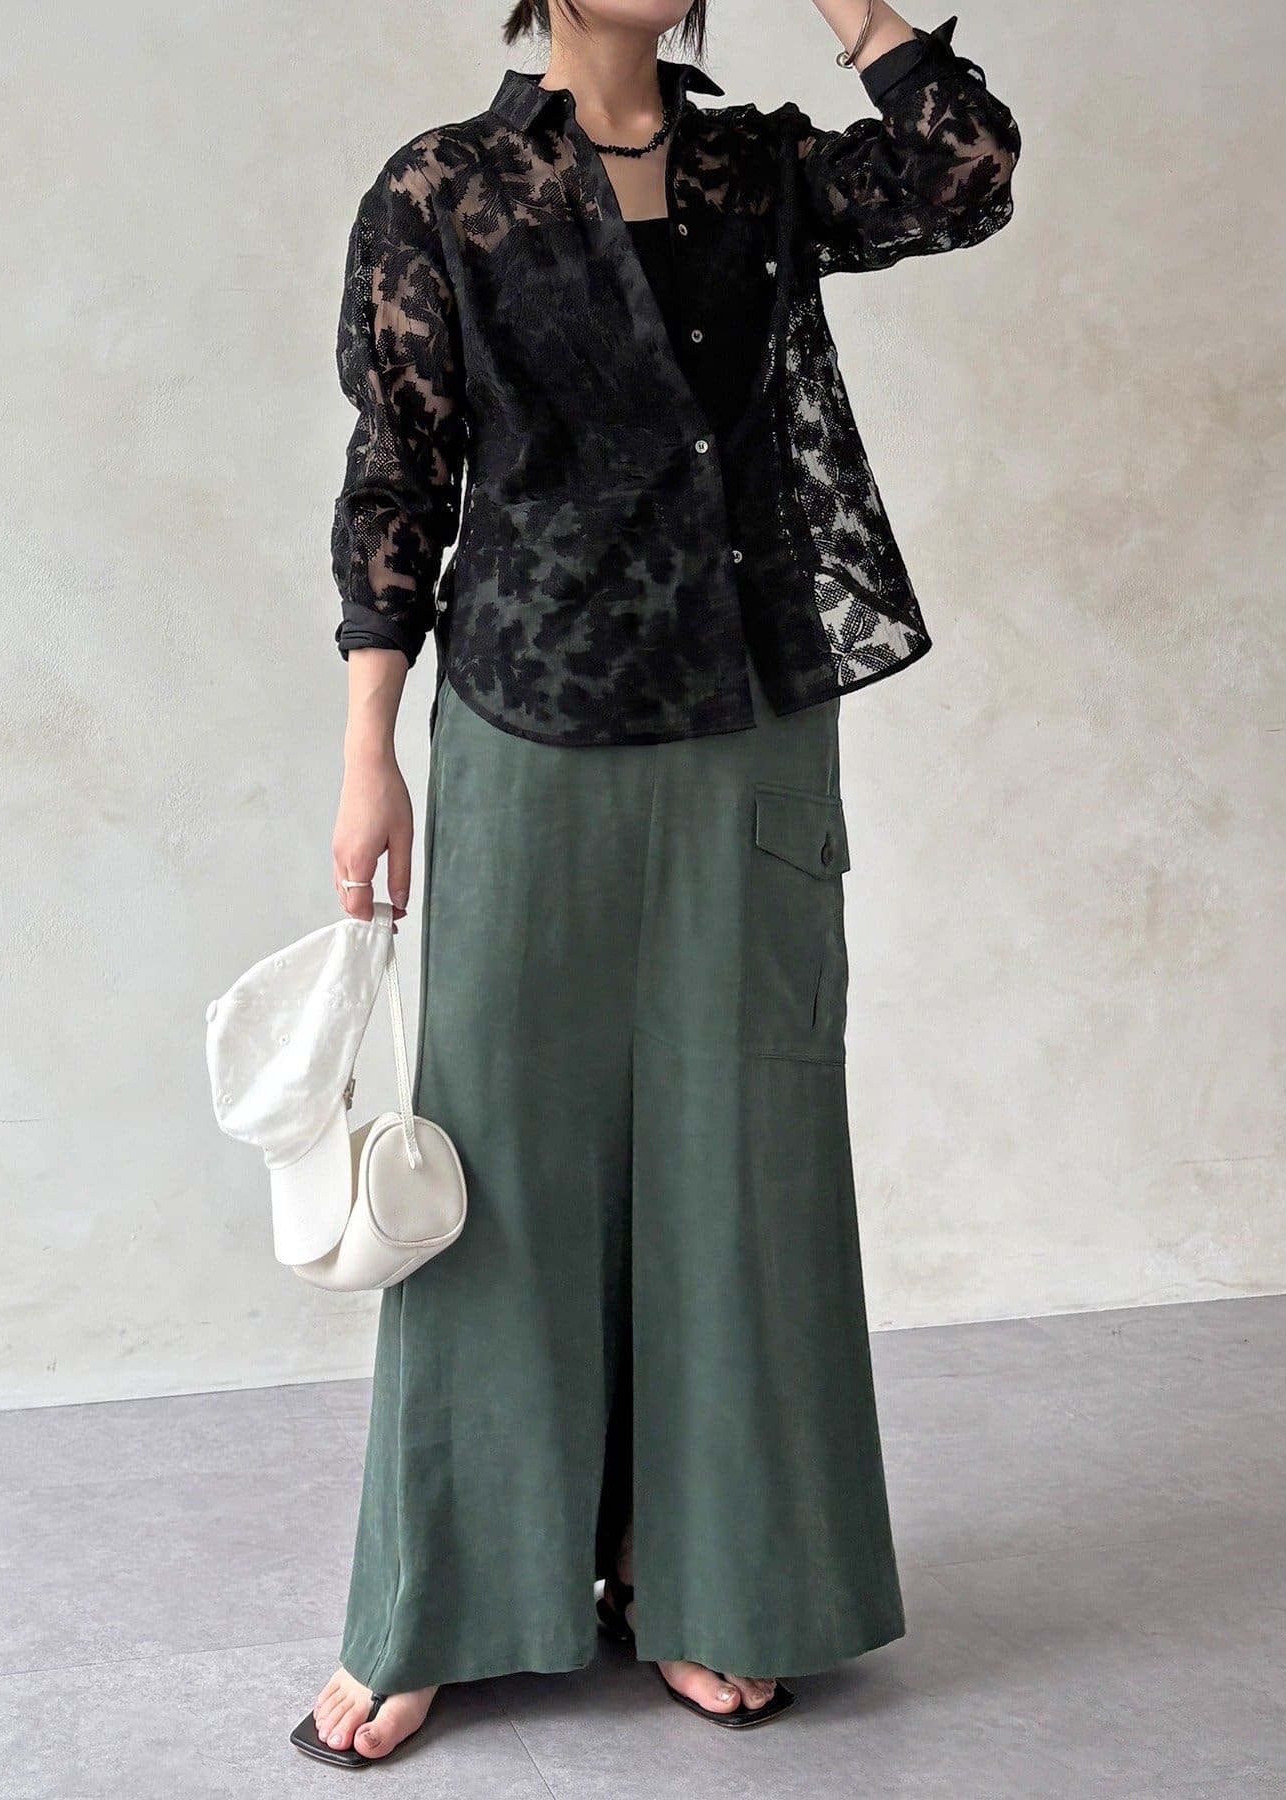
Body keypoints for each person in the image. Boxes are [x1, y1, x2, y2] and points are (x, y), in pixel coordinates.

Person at [299, 0, 1019, 1766]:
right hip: (526, 718)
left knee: (738, 1158)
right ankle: (442, 1605)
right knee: (499, 1169)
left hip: (743, 727)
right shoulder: (444, 188)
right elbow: (398, 471)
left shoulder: (757, 169)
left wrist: (856, 8)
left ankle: (714, 1578)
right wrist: (369, 750)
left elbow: (965, 174)